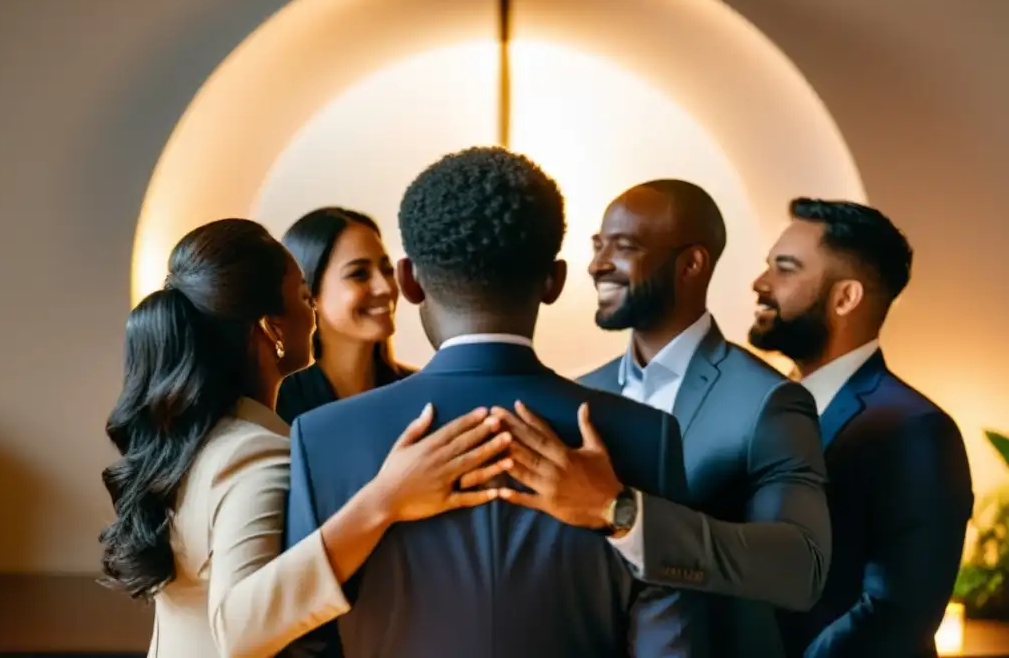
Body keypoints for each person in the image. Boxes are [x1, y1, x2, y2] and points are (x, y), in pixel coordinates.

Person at [282, 147, 698, 658]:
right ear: (554, 281)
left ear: (409, 281)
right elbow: (671, 642)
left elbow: (299, 639)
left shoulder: (320, 438)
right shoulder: (646, 435)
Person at [98, 218, 509, 658]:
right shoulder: (255, 455)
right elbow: (241, 629)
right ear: (271, 328)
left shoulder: (196, 442)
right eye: (302, 296)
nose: (311, 310)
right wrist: (385, 501)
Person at [502, 180, 831, 657]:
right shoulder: (578, 394)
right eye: (598, 246)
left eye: (625, 246)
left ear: (691, 264)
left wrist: (621, 512)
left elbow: (801, 569)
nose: (597, 265)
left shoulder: (770, 401)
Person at [749, 198, 973, 658]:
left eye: (785, 269)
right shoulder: (755, 406)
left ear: (845, 297)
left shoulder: (917, 430)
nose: (761, 283)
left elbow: (895, 610)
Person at [276, 207, 412, 425]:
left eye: (386, 269)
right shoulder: (278, 406)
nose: (385, 287)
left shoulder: (416, 392)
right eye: (359, 274)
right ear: (308, 294)